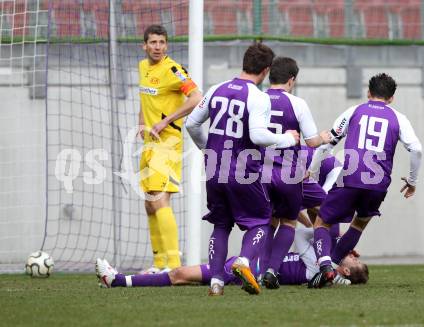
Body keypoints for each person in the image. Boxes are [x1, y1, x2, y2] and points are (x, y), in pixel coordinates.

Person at [185, 44, 300, 296]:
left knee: (221, 224)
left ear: (244, 63)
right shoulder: (258, 97)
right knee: (260, 222)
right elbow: (259, 135)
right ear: (267, 70)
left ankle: (216, 282)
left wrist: (209, 148)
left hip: (215, 168)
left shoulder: (216, 90)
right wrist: (288, 139)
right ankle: (244, 261)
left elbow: (191, 123)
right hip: (243, 170)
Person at [308, 73, 422, 288]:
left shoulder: (353, 111)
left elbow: (328, 143)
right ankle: (331, 266)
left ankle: (324, 265)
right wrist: (412, 181)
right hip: (378, 184)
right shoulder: (399, 118)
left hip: (350, 177)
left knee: (322, 221)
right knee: (359, 224)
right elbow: (416, 149)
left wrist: (312, 171)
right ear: (392, 98)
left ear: (368, 93)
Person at [259, 57, 331, 289]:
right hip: (289, 173)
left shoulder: (256, 99)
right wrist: (324, 137)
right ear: (292, 80)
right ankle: (272, 271)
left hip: (258, 172)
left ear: (270, 76)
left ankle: (260, 271)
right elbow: (311, 142)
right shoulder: (297, 103)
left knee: (268, 221)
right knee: (289, 222)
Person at [95, 228, 368, 289]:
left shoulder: (319, 265)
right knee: (178, 275)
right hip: (247, 265)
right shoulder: (328, 272)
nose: (352, 255)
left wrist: (331, 241)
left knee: (178, 275)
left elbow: (301, 235)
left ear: (345, 271)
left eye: (354, 261)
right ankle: (118, 280)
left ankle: (116, 280)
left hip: (247, 268)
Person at [137, 24, 202, 273]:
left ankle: (173, 266)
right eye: (153, 42)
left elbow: (197, 97)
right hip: (149, 142)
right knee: (149, 202)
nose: (157, 47)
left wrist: (166, 120)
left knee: (160, 199)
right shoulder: (143, 67)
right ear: (145, 45)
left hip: (168, 142)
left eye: (161, 42)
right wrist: (141, 121)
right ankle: (159, 263)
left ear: (166, 45)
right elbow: (145, 98)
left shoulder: (174, 69)